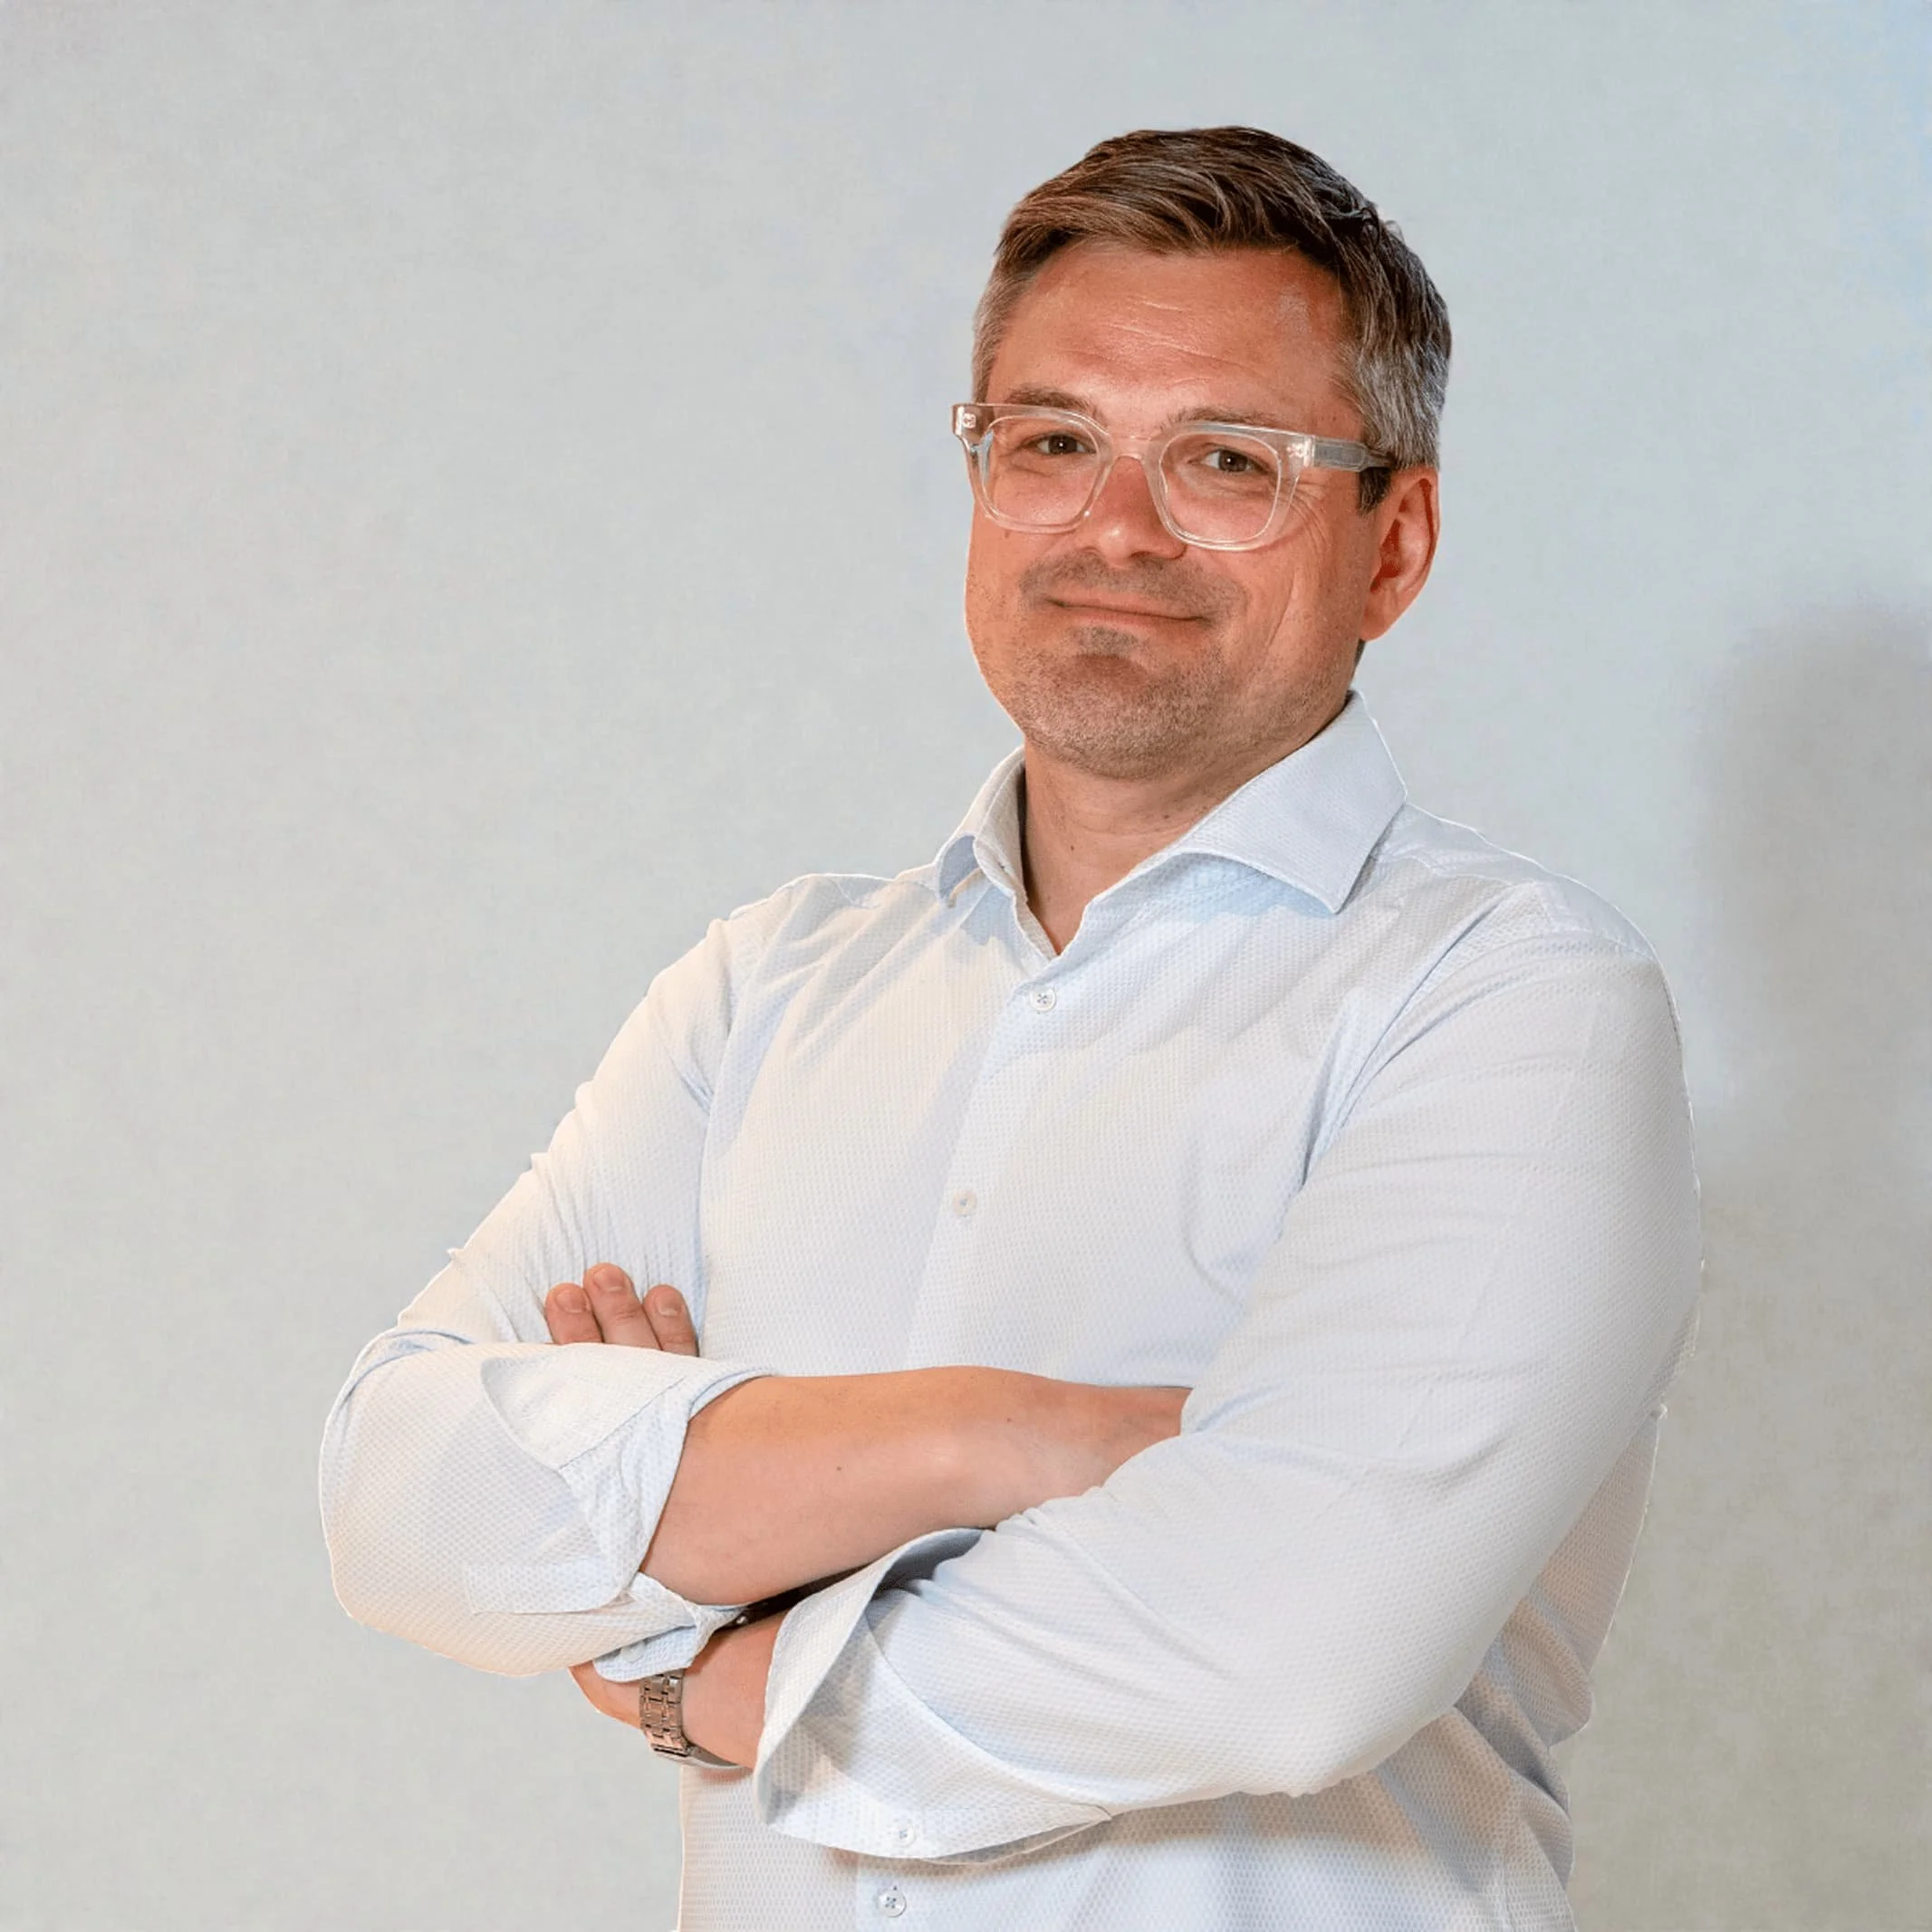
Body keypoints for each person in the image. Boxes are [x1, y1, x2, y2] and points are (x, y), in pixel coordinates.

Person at [320, 126, 1701, 1930]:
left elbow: (1280, 1653)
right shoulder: (761, 989)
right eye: (1049, 443)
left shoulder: (1513, 1004)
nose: (1113, 528)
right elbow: (395, 1491)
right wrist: (1007, 1433)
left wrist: (696, 1640)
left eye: (1226, 460)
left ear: (1396, 538)